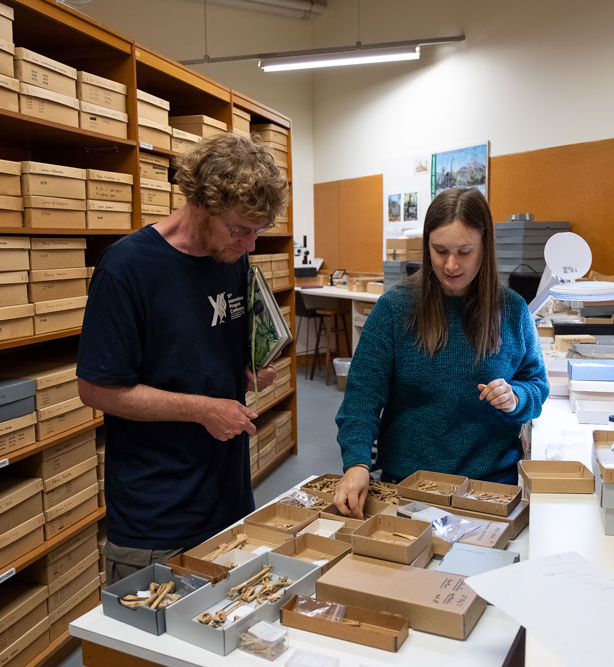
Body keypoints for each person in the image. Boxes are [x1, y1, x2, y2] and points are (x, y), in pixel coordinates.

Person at [77, 133, 288, 583]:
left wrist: (246, 369)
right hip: (159, 514)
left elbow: (197, 348)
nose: (250, 245)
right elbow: (96, 388)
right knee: (150, 650)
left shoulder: (230, 255)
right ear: (200, 204)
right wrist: (202, 410)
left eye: (258, 232)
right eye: (239, 230)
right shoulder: (127, 268)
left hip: (228, 495)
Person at [333, 187, 549, 518]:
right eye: (439, 251)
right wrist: (357, 463)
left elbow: (536, 384)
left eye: (464, 251)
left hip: (491, 488)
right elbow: (361, 400)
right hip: (409, 488)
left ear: (484, 248)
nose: (450, 265)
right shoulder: (394, 310)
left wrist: (516, 397)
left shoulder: (513, 310)